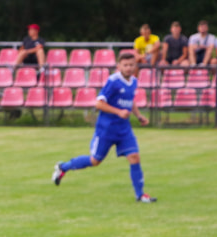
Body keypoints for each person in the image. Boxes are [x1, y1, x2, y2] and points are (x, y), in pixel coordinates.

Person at [51, 52, 155, 203]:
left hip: (124, 130)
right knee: (95, 161)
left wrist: (138, 116)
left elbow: (130, 100)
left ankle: (140, 195)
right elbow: (98, 103)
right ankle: (63, 167)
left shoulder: (133, 82)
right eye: (125, 65)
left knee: (134, 157)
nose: (128, 68)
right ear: (119, 66)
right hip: (106, 129)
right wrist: (118, 112)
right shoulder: (113, 81)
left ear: (135, 66)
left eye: (131, 65)